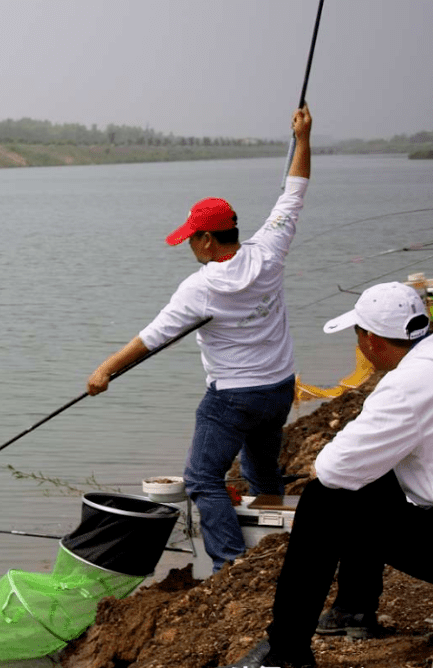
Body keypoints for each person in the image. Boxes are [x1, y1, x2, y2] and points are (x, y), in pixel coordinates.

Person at [87, 105, 312, 572]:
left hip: (232, 398)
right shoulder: (270, 250)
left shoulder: (200, 287)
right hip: (278, 388)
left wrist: (105, 371)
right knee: (261, 471)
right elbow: (294, 193)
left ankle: (231, 564)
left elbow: (151, 339)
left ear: (209, 240)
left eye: (193, 238)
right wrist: (304, 138)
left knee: (203, 478)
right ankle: (277, 542)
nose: (190, 245)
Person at [220, 282, 433, 668]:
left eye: (358, 335)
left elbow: (332, 469)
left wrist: (326, 461)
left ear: (372, 339)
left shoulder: (407, 386)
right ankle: (353, 609)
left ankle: (286, 651)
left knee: (325, 500)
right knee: (369, 479)